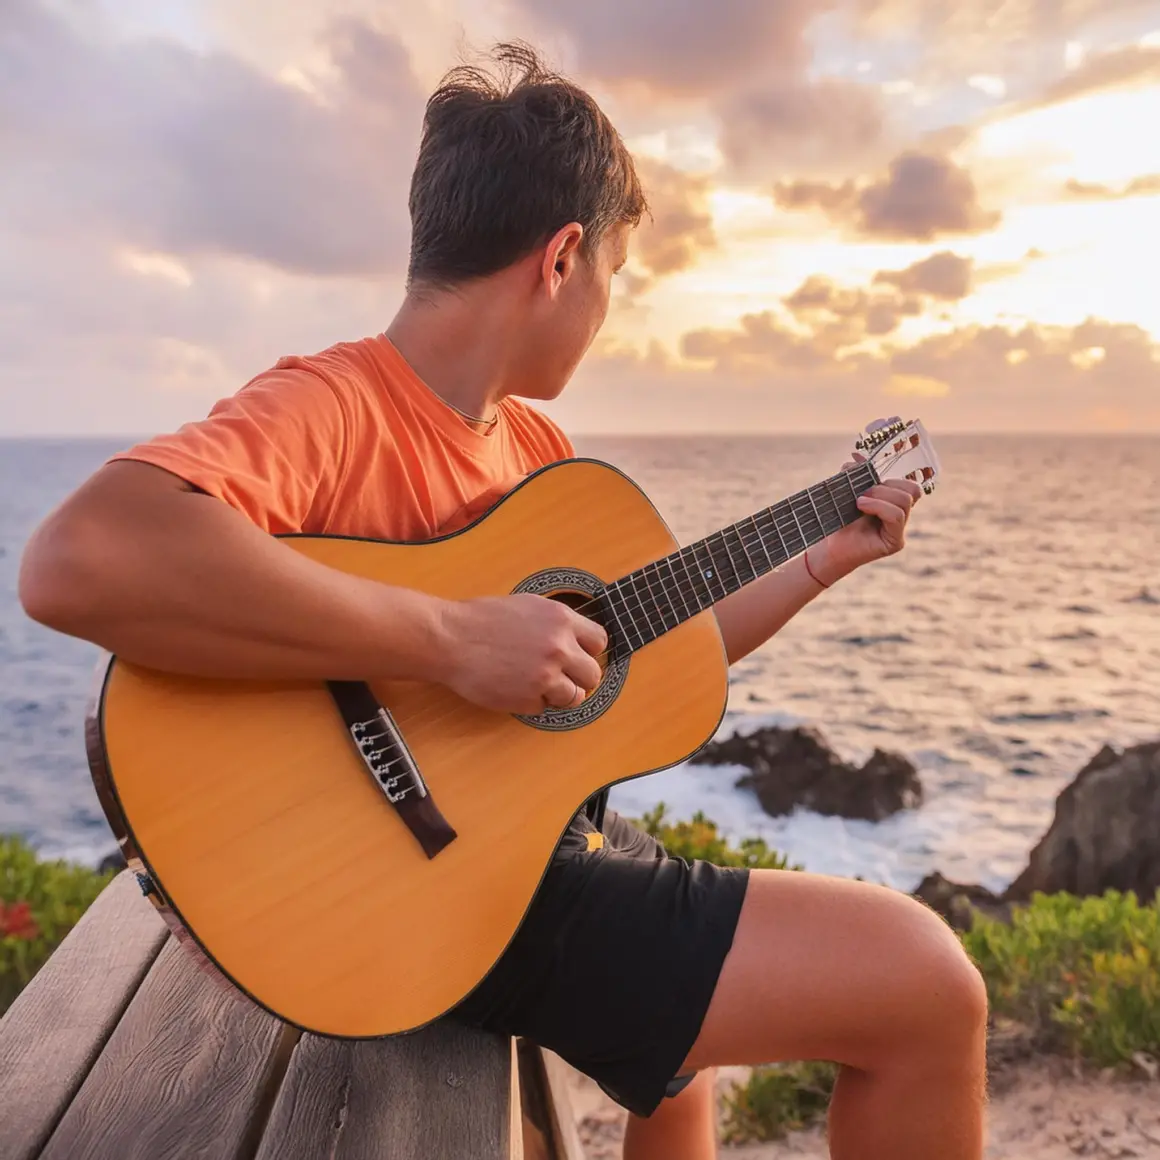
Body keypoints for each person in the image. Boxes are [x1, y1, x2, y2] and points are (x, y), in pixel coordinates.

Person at [19, 42, 986, 1160]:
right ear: (564, 257)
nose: (609, 306)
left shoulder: (534, 450)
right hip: (422, 895)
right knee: (928, 984)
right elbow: (77, 558)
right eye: (617, 272)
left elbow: (641, 649)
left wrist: (823, 553)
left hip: (515, 849)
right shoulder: (334, 402)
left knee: (681, 1064)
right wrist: (447, 637)